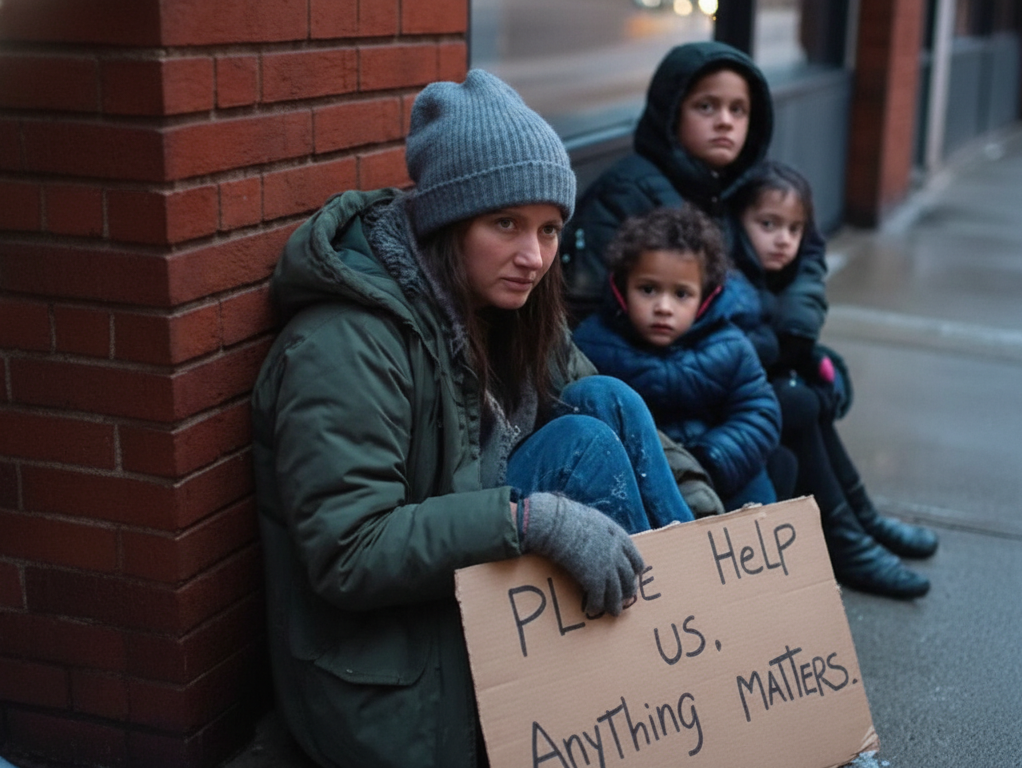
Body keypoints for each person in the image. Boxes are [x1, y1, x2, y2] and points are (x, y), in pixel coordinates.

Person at [250, 71, 711, 768]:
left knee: (607, 400)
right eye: (506, 224)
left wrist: (706, 512)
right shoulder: (344, 343)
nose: (534, 256)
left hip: (475, 600)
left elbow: (597, 395)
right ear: (448, 220)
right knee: (582, 445)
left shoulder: (506, 304)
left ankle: (722, 660)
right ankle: (704, 688)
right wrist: (531, 521)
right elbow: (348, 551)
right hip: (390, 678)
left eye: (550, 229)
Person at [731, 160, 939, 600]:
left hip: (753, 386)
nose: (783, 239)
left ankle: (861, 521)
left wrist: (817, 366)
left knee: (811, 398)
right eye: (768, 224)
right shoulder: (732, 275)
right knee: (800, 402)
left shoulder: (776, 276)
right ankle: (847, 538)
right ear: (738, 220)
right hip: (716, 401)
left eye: (794, 228)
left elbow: (784, 343)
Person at [559, 40, 825, 327]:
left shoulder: (748, 181)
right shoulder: (626, 191)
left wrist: (797, 320)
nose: (725, 121)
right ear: (672, 113)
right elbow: (589, 305)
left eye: (738, 110)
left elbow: (807, 247)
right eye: (706, 106)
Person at [573, 206, 782, 511]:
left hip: (722, 473)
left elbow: (759, 412)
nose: (663, 307)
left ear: (706, 295)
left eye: (681, 294)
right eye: (648, 289)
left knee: (761, 495)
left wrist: (712, 458)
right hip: (646, 481)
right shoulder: (594, 344)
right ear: (621, 288)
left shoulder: (730, 346)